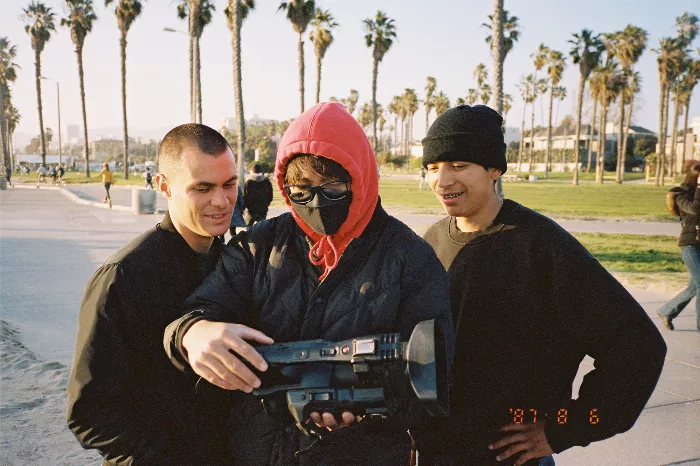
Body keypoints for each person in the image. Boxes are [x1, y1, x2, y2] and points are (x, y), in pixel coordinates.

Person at [164, 102, 455, 465]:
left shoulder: (411, 259)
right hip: (258, 453)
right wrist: (193, 332)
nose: (316, 202)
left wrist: (365, 407)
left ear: (359, 177)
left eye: (333, 186)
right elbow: (197, 312)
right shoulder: (258, 247)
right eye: (301, 190)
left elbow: (435, 375)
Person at [416, 105, 667, 466]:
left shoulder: (542, 246)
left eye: (458, 166)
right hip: (437, 453)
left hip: (509, 458)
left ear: (494, 169)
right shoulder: (431, 242)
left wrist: (563, 429)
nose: (442, 181)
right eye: (432, 168)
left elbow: (638, 346)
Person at [66, 124, 238, 465]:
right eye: (202, 188)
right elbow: (90, 413)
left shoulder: (236, 264)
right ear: (163, 187)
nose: (221, 201)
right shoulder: (122, 277)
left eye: (229, 184)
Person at [657, 163, 700, 333]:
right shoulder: (680, 194)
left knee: (693, 287)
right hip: (689, 246)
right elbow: (694, 210)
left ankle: (666, 311)